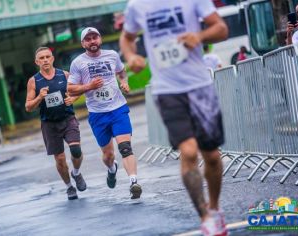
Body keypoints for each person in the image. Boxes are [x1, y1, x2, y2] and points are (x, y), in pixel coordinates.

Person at [120, 0, 228, 235]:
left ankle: (215, 208)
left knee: (211, 155)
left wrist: (199, 36)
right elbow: (127, 38)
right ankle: (205, 217)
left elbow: (221, 28)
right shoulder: (137, 5)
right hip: (166, 90)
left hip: (200, 86)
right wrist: (131, 56)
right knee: (188, 151)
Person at [67, 27, 142, 199]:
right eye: (88, 39)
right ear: (83, 43)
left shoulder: (112, 55)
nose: (92, 41)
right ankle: (111, 169)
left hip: (118, 109)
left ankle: (134, 182)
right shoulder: (78, 63)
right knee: (108, 155)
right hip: (97, 114)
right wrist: (88, 86)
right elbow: (70, 88)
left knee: (125, 148)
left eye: (95, 37)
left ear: (100, 39)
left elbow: (122, 73)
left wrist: (124, 82)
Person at [25, 47, 86, 200]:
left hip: (68, 118)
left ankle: (76, 173)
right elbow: (28, 106)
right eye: (42, 58)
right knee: (59, 159)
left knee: (76, 150)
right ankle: (69, 187)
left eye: (47, 57)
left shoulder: (64, 75)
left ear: (52, 59)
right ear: (37, 62)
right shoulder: (33, 81)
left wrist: (73, 99)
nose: (45, 60)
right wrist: (39, 97)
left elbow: (79, 89)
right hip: (49, 124)